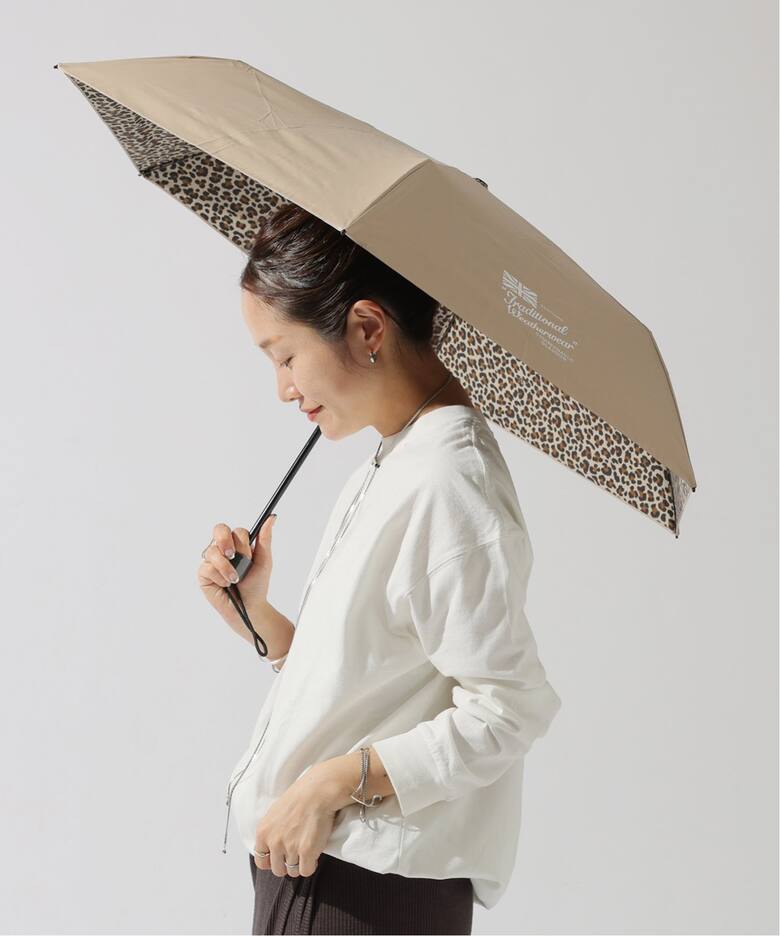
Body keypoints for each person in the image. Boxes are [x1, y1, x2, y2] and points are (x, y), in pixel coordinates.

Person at [197, 203, 563, 935]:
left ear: (367, 329)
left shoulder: (446, 481)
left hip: (360, 897)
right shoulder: (401, 459)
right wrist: (259, 617)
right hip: (332, 880)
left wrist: (334, 782)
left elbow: (508, 709)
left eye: (285, 357)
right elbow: (372, 682)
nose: (283, 388)